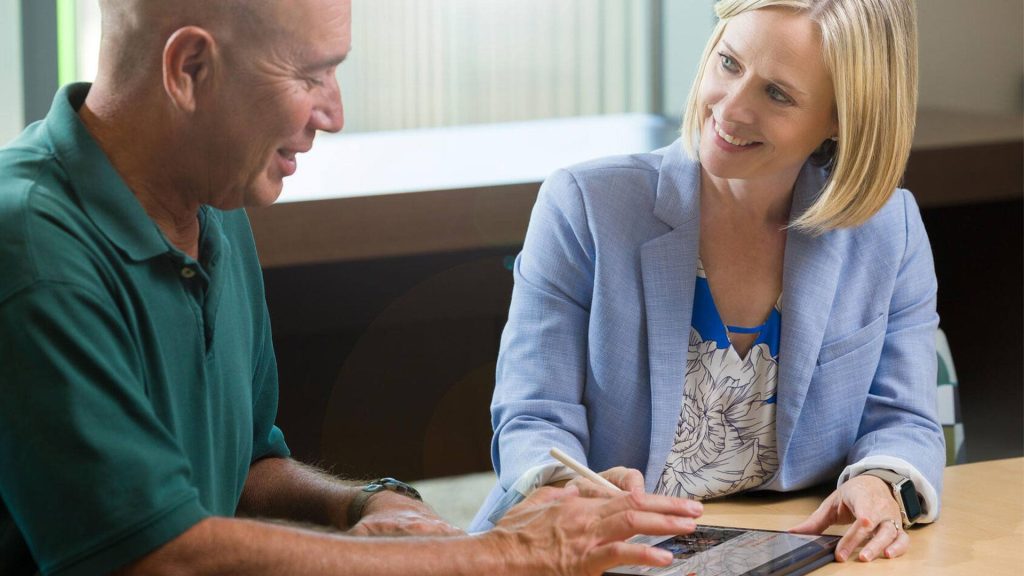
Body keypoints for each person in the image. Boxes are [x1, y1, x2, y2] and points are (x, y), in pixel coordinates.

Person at [0, 1, 706, 574]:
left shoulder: (214, 199)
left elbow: (244, 467)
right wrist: (499, 553)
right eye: (312, 75)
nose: (333, 113)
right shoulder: (30, 247)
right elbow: (157, 555)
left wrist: (362, 506)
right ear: (189, 68)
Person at [473, 0, 944, 565]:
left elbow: (904, 417)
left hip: (789, 549)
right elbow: (533, 415)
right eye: (728, 63)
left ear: (843, 116)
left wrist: (881, 483)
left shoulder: (888, 228)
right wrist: (568, 489)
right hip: (590, 554)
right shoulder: (585, 205)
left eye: (777, 94)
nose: (730, 107)